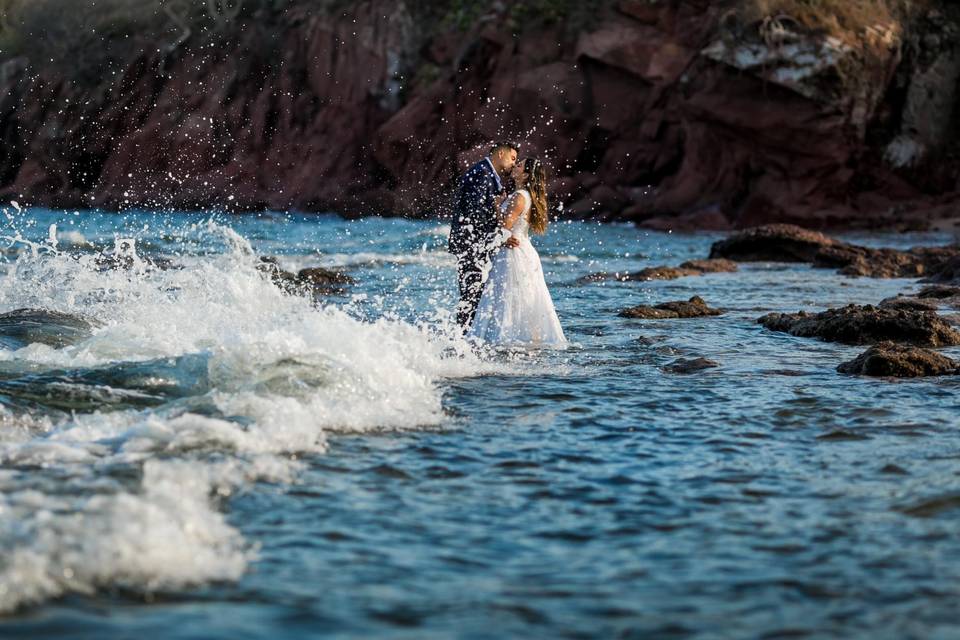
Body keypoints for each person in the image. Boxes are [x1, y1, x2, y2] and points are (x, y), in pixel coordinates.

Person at [467, 157, 566, 346]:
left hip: (512, 253)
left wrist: (497, 205)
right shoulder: (525, 195)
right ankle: (527, 340)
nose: (515, 166)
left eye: (519, 165)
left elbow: (505, 226)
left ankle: (506, 340)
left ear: (526, 174)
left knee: (508, 296)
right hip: (521, 249)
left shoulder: (519, 196)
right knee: (523, 297)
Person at [448, 141, 518, 330]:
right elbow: (476, 213)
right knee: (471, 295)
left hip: (475, 243)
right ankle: (463, 340)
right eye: (512, 158)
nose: (514, 164)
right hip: (471, 245)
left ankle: (467, 338)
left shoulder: (487, 174)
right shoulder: (482, 173)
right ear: (500, 154)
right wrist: (500, 236)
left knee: (474, 295)